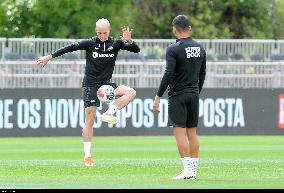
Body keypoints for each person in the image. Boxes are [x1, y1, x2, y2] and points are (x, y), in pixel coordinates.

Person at [37, 18, 140, 167]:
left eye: (104, 32)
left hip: (107, 84)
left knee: (131, 92)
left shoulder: (116, 44)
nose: (102, 35)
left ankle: (109, 113)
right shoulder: (90, 43)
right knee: (90, 119)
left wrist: (129, 41)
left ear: (109, 30)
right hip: (91, 85)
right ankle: (87, 155)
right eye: (99, 32)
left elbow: (136, 50)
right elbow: (70, 47)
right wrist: (49, 57)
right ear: (95, 31)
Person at [152, 15, 206, 180]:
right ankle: (193, 171)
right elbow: (202, 74)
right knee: (192, 133)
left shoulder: (173, 49)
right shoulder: (200, 49)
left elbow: (168, 74)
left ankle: (187, 171)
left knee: (179, 133)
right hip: (194, 94)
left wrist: (158, 95)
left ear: (174, 29)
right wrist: (196, 91)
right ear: (189, 28)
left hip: (178, 95)